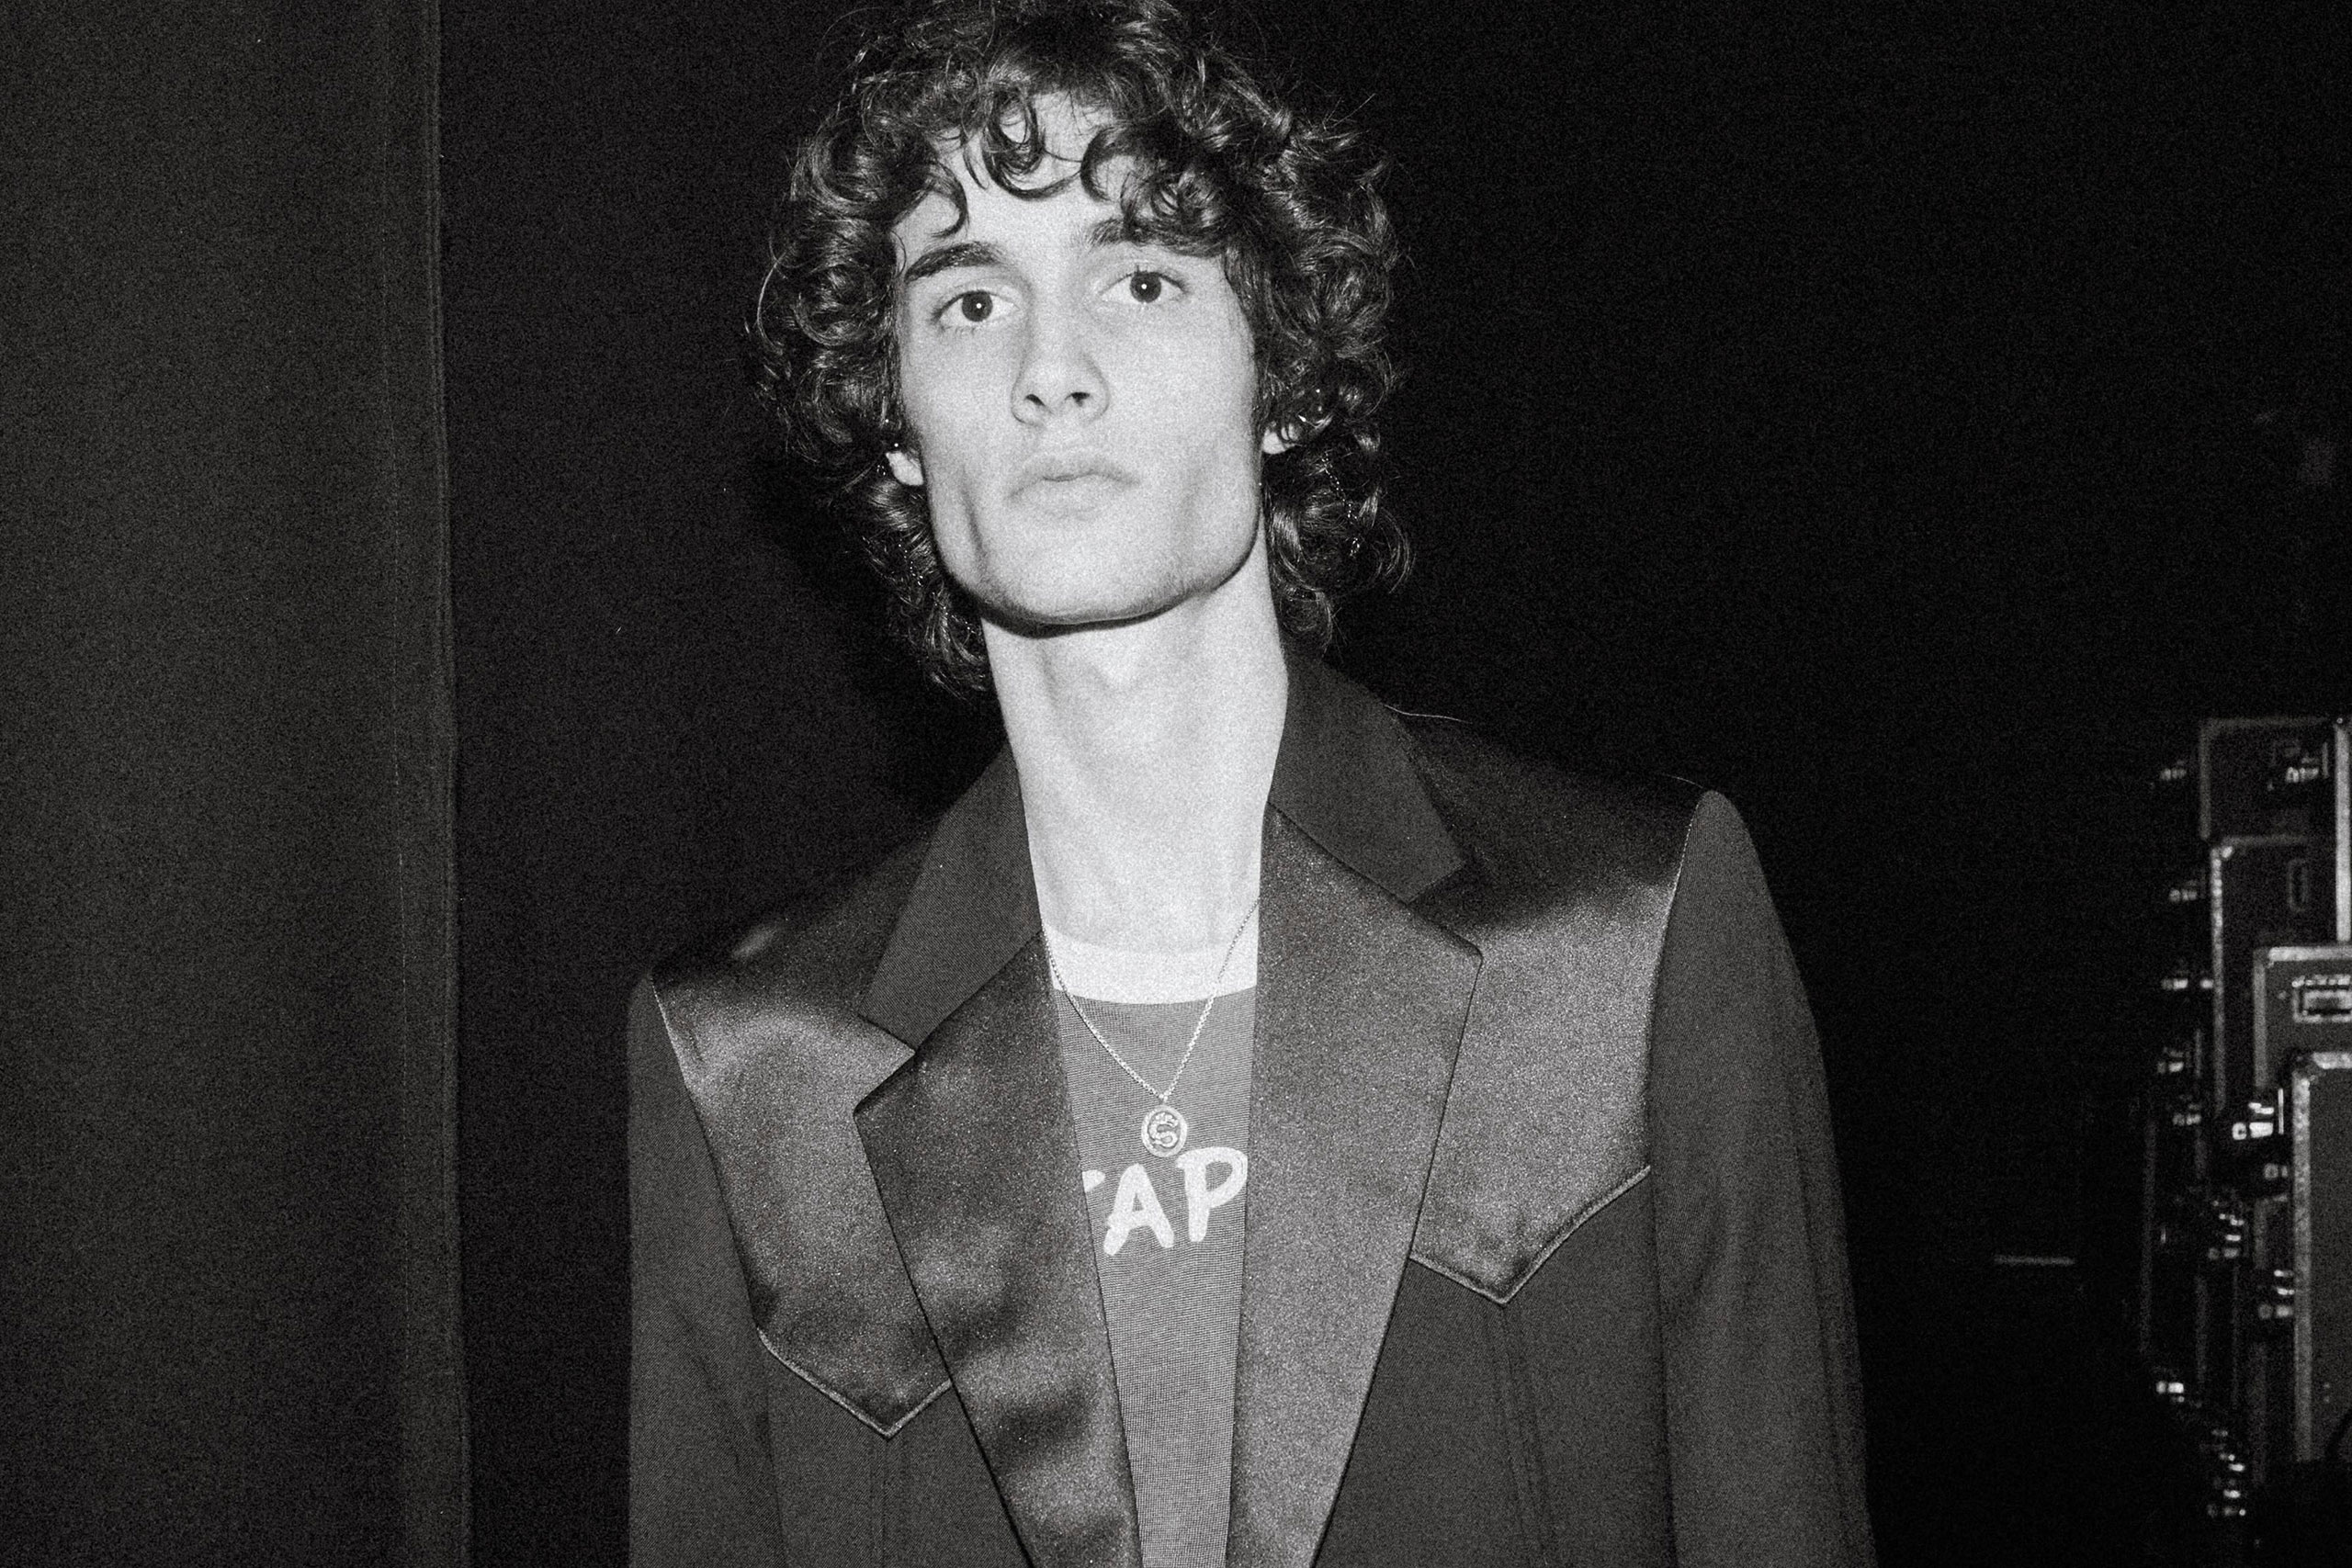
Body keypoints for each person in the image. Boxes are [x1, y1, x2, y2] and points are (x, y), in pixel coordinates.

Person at [629, 2, 1875, 1563]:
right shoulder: (755, 1069)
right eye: (970, 301)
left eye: (1141, 279)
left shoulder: (1624, 943)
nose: (1050, 370)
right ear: (896, 424)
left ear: (1281, 378)